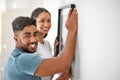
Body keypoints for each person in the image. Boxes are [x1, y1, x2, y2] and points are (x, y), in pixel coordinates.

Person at [4, 8, 78, 80]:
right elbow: (64, 64)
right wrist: (71, 30)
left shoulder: (16, 57)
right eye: (27, 36)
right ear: (16, 39)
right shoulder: (23, 59)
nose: (33, 39)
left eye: (35, 34)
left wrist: (55, 56)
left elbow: (45, 74)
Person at [31, 7, 71, 80]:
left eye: (49, 21)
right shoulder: (32, 46)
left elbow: (49, 75)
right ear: (34, 23)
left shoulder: (47, 44)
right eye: (42, 21)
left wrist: (55, 55)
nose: (46, 25)